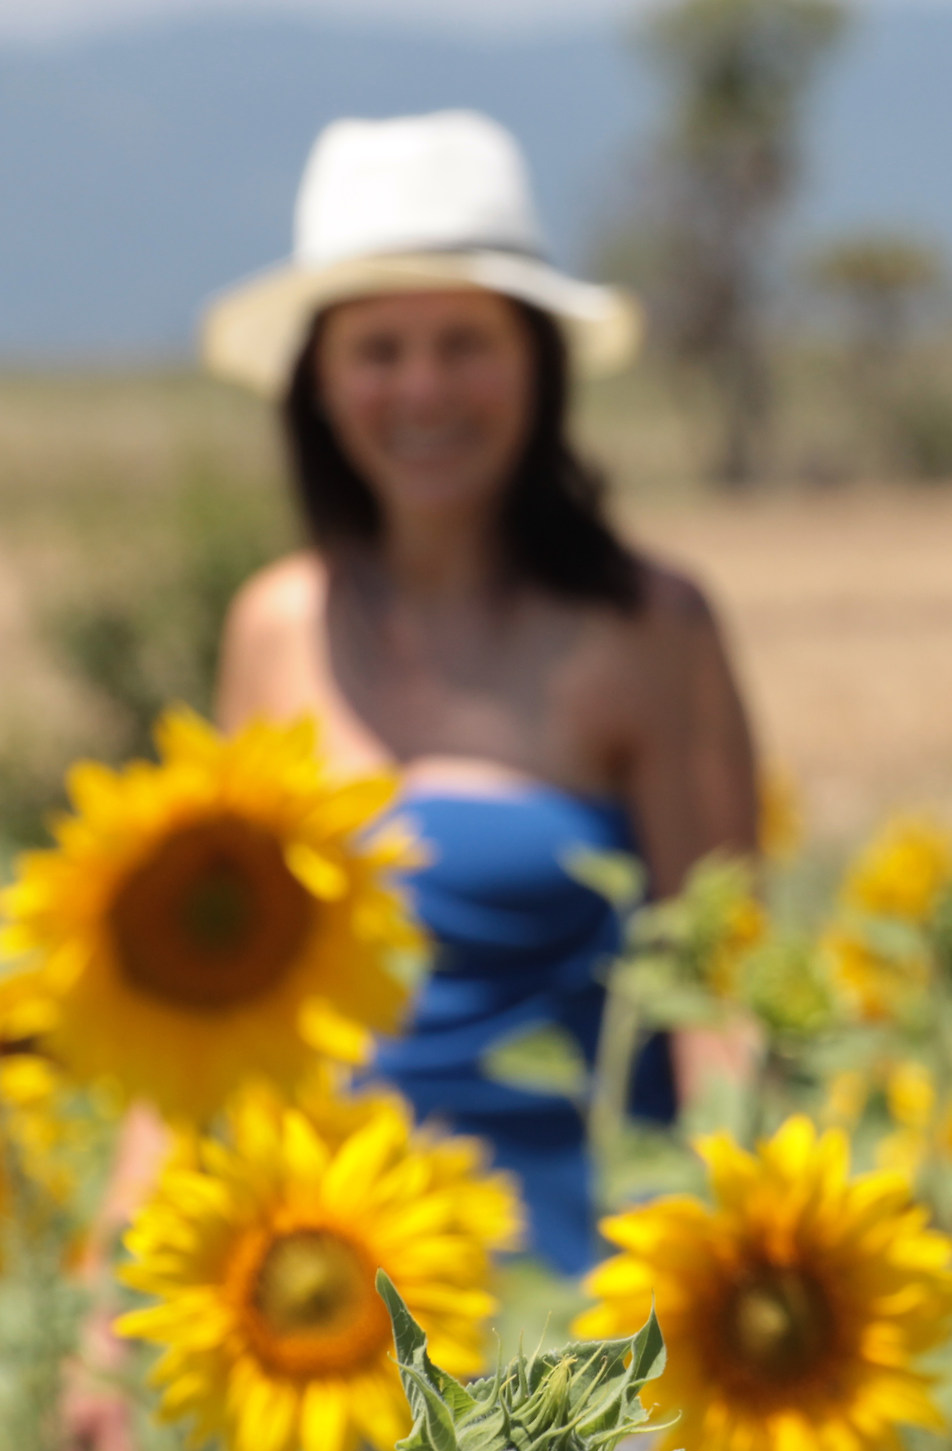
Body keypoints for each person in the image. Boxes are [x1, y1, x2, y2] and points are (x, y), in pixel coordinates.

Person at [203, 110, 760, 1272]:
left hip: (586, 1326)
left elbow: (720, 991)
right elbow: (208, 1007)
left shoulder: (648, 629)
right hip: (325, 1313)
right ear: (318, 381)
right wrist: (111, 1291)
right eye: (378, 350)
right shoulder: (273, 630)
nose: (424, 390)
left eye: (465, 342)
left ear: (536, 366)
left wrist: (744, 1253)